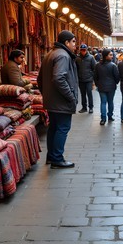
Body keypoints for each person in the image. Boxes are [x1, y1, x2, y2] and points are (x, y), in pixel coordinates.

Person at [38, 30, 79, 169]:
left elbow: (40, 79)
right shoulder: (63, 56)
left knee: (54, 128)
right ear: (66, 42)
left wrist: (46, 94)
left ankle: (51, 156)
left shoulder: (50, 54)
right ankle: (57, 159)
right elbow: (59, 78)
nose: (75, 45)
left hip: (52, 100)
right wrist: (71, 96)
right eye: (73, 41)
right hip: (61, 101)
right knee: (62, 128)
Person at [94, 49, 120, 125]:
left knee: (103, 102)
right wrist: (116, 82)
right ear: (106, 56)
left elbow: (95, 76)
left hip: (101, 86)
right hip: (111, 87)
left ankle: (103, 119)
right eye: (110, 55)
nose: (112, 56)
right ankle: (110, 116)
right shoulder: (113, 65)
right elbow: (117, 77)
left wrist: (97, 84)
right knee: (110, 101)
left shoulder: (98, 65)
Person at [76, 43, 96, 113]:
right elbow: (76, 69)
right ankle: (84, 107)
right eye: (82, 50)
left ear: (86, 50)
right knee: (83, 94)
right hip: (81, 79)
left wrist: (93, 81)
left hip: (89, 79)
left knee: (89, 93)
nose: (83, 51)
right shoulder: (77, 58)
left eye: (84, 50)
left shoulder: (91, 58)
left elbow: (94, 68)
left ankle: (91, 107)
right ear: (80, 50)